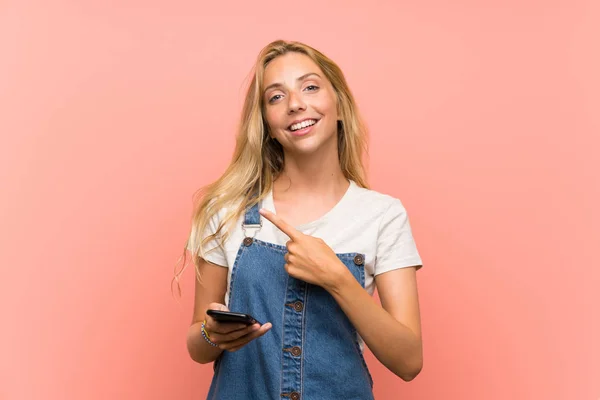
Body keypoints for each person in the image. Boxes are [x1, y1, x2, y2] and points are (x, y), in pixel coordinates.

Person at [176, 39, 424, 400]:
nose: (295, 104)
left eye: (310, 86)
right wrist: (211, 334)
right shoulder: (226, 211)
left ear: (339, 105)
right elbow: (197, 345)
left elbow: (409, 360)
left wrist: (338, 278)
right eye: (276, 97)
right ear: (266, 124)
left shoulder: (382, 216)